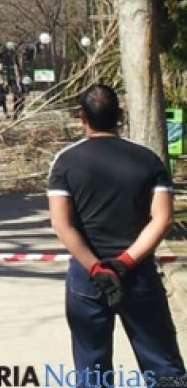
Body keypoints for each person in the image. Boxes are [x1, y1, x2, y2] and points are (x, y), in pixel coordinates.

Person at [47, 84, 184, 386]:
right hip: (138, 274)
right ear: (120, 115)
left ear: (81, 116)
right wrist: (123, 262)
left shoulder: (65, 162)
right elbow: (163, 219)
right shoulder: (148, 159)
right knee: (163, 366)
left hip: (87, 277)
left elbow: (62, 224)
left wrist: (97, 267)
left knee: (92, 370)